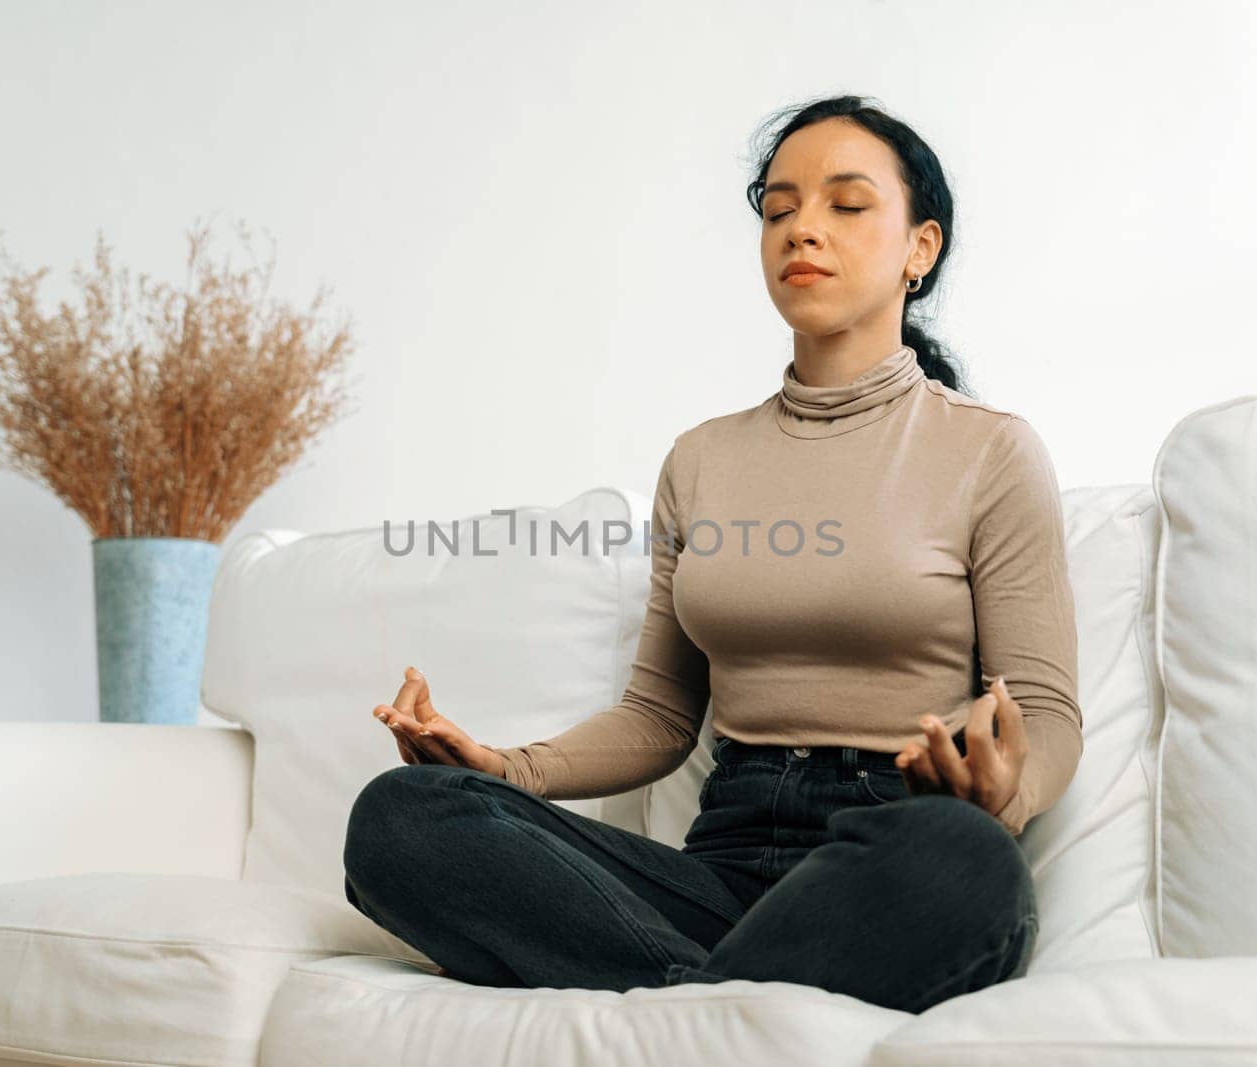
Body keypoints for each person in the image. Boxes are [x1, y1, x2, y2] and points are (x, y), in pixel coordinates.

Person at [341, 93, 1081, 1015]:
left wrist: (1007, 788)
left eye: (846, 206)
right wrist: (498, 767)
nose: (802, 228)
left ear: (919, 250)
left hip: (890, 847)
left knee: (962, 862)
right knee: (402, 818)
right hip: (717, 877)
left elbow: (1046, 709)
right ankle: (720, 1014)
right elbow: (657, 715)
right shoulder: (702, 459)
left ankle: (677, 1017)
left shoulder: (990, 450)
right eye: (778, 209)